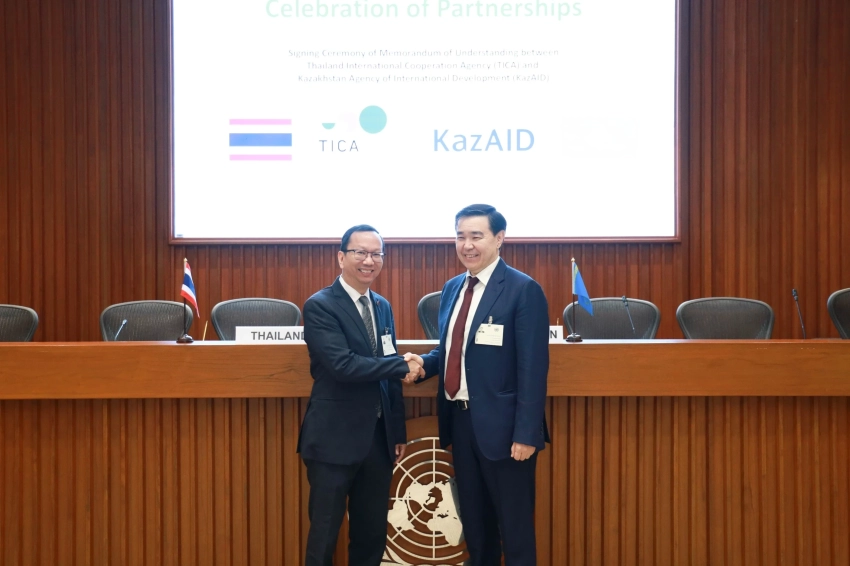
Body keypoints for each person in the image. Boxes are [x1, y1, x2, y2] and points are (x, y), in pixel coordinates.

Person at [404, 204, 550, 566]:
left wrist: (526, 433)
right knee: (476, 529)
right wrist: (424, 363)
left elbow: (533, 368)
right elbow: (452, 349)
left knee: (514, 531)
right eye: (460, 236)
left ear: (499, 239)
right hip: (462, 422)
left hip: (506, 430)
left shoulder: (523, 289)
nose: (466, 245)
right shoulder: (452, 288)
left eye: (476, 236)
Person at [298, 224, 423, 566]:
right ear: (341, 257)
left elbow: (387, 369)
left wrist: (396, 431)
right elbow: (343, 366)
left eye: (376, 254)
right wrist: (402, 365)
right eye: (360, 253)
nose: (369, 261)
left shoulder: (381, 305)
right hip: (333, 439)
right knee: (324, 535)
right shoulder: (320, 305)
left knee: (371, 535)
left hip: (377, 441)